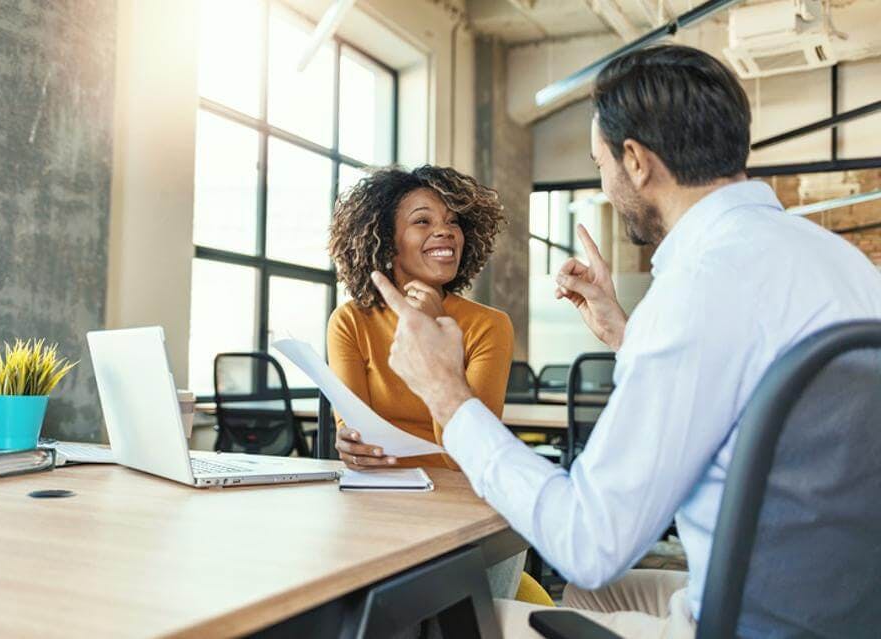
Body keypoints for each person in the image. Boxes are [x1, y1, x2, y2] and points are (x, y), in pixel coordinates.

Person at [365, 44, 881, 638]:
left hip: (752, 624)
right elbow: (735, 381)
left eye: (600, 162)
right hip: (838, 603)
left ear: (635, 160)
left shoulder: (699, 287)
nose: (605, 183)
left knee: (462, 621)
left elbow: (586, 540)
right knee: (594, 593)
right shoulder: (838, 262)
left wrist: (446, 394)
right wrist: (624, 332)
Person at [326, 165, 511, 471]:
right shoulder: (350, 321)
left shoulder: (490, 326)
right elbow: (355, 433)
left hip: (458, 490)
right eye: (422, 221)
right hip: (377, 487)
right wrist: (351, 444)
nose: (445, 231)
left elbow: (468, 456)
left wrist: (437, 330)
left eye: (453, 222)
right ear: (387, 241)